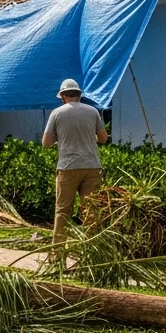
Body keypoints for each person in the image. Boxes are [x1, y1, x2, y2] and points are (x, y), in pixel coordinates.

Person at [42, 78, 108, 249]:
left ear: (63, 96)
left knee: (63, 211)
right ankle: (92, 252)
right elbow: (103, 138)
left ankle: (57, 255)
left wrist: (60, 139)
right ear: (79, 95)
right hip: (92, 166)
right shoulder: (92, 111)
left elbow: (46, 143)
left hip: (68, 168)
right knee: (91, 212)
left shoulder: (56, 113)